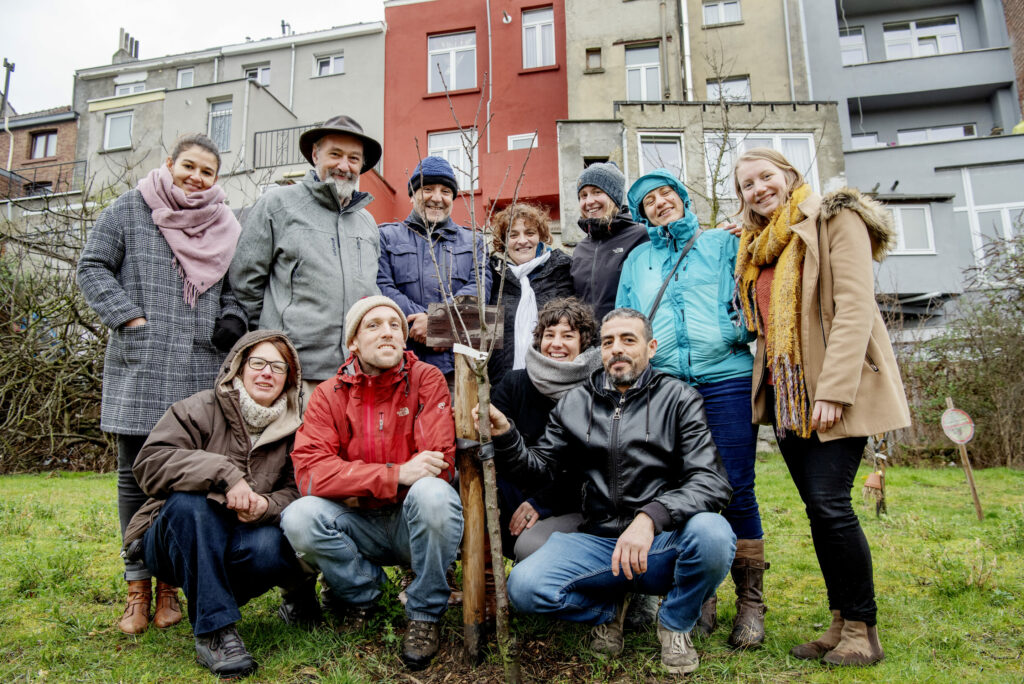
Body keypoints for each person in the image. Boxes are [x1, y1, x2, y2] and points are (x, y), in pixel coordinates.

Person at [477, 308, 735, 676]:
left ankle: (675, 622)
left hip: (661, 543)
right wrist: (506, 434)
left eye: (628, 340)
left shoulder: (680, 398)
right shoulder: (576, 402)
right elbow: (538, 469)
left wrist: (650, 518)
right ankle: (609, 611)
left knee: (714, 534)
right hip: (599, 542)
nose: (617, 349)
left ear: (651, 347)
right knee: (524, 587)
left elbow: (711, 481)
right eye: (608, 342)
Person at [732, 147, 911, 666]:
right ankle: (839, 622)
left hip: (831, 391)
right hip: (787, 396)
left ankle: (863, 630)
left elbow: (855, 307)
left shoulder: (836, 217)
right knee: (819, 510)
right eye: (746, 185)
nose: (758, 189)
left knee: (831, 505)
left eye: (765, 176)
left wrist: (833, 390)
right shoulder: (759, 244)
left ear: (788, 174)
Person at [77, 133, 246, 635]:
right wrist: (128, 318)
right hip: (143, 363)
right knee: (134, 475)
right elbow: (92, 267)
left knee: (185, 478)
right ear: (170, 164)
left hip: (198, 369)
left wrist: (231, 320)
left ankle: (170, 585)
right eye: (188, 166)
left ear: (216, 179)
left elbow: (237, 289)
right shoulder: (132, 208)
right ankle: (137, 587)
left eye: (207, 172)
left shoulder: (225, 224)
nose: (196, 178)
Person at [616, 168, 766, 648]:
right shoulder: (638, 260)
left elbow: (755, 279)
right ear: (642, 214)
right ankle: (702, 592)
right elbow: (625, 318)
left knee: (736, 486)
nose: (660, 203)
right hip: (668, 387)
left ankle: (751, 603)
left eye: (667, 194)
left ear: (682, 198)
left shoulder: (722, 243)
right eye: (649, 201)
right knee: (680, 486)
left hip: (726, 377)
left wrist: (746, 231)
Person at [280, 295, 463, 671]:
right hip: (358, 525)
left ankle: (424, 613)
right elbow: (311, 473)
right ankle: (365, 594)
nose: (388, 332)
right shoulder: (328, 395)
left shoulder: (426, 379)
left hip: (411, 523)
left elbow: (437, 465)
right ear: (353, 342)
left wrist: (351, 483)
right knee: (300, 516)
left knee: (433, 494)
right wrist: (396, 474)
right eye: (374, 325)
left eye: (395, 325)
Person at [121, 330, 310, 678]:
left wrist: (265, 505)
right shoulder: (199, 408)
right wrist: (224, 474)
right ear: (239, 367)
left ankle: (212, 599)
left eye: (278, 367)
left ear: (289, 378)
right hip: (173, 538)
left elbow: (299, 490)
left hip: (240, 537)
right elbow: (149, 463)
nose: (266, 373)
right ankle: (215, 632)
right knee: (190, 504)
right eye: (258, 363)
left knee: (271, 547)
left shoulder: (297, 428)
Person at [230, 115, 383, 399]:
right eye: (335, 154)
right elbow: (245, 286)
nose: (344, 166)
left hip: (357, 374)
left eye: (353, 158)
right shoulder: (277, 205)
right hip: (295, 374)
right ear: (315, 155)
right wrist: (270, 347)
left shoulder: (368, 224)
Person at [490, 297, 601, 559]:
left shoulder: (598, 390)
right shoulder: (514, 383)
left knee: (532, 547)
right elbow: (495, 454)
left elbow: (592, 469)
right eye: (549, 335)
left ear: (584, 342)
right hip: (514, 494)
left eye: (568, 336)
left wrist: (543, 502)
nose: (556, 344)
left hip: (573, 504)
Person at [377, 156, 491, 383]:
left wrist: (436, 323)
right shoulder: (385, 237)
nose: (437, 198)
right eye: (427, 189)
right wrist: (421, 324)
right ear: (412, 195)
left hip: (457, 369)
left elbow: (480, 292)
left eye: (445, 191)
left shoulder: (475, 242)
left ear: (453, 198)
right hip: (397, 365)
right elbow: (381, 288)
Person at [487, 202, 574, 385]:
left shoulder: (563, 270)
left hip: (554, 382)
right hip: (504, 384)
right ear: (503, 241)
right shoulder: (493, 277)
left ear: (540, 236)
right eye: (513, 235)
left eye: (530, 233)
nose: (522, 241)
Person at [570, 162, 648, 323]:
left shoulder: (641, 236)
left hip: (626, 334)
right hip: (589, 338)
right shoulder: (580, 249)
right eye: (583, 195)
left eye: (597, 192)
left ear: (614, 196)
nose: (589, 201)